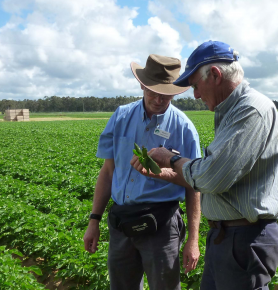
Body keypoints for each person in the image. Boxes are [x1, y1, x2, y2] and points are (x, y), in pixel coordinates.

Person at [131, 41, 278, 290]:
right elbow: (208, 173)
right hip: (226, 236)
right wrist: (165, 172)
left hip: (245, 239)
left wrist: (170, 158)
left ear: (214, 75)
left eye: (195, 86)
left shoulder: (250, 110)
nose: (195, 95)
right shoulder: (230, 110)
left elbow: (211, 177)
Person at [83, 54, 202, 290]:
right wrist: (93, 220)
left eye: (166, 93)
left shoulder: (183, 127)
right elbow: (108, 172)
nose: (159, 99)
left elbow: (194, 184)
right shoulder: (121, 117)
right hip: (122, 223)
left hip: (162, 226)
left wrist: (193, 240)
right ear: (142, 85)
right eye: (152, 91)